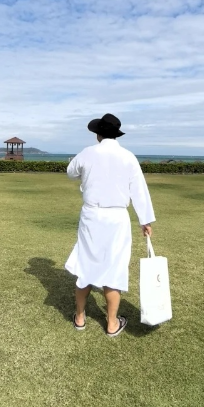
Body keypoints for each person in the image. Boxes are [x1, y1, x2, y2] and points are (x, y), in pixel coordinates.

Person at [65, 113, 155, 337]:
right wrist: (145, 220)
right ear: (116, 134)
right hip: (117, 218)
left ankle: (79, 317)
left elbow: (71, 172)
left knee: (85, 264)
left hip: (91, 216)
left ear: (98, 133)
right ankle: (112, 323)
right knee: (114, 267)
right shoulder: (128, 157)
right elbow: (139, 191)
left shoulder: (88, 153)